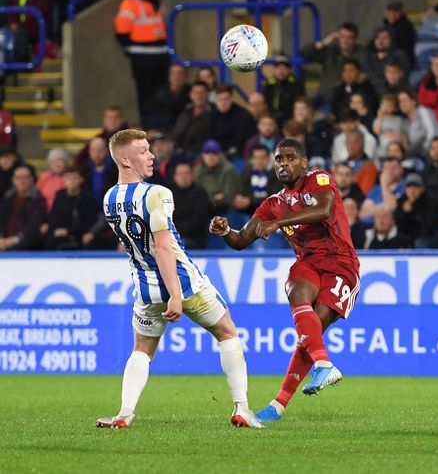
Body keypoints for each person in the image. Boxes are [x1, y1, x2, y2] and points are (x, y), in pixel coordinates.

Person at [95, 129, 260, 429]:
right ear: (125, 160)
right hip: (183, 283)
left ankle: (124, 414)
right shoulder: (157, 193)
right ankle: (242, 409)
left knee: (142, 350)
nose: (151, 155)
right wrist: (174, 294)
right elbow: (162, 247)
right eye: (143, 151)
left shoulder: (109, 199)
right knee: (227, 332)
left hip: (144, 289)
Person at [210, 139, 360, 423]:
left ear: (304, 162)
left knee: (311, 330)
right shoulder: (272, 204)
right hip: (309, 262)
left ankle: (278, 405)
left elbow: (324, 209)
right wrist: (225, 230)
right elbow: (242, 240)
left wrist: (278, 223)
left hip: (341, 264)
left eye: (290, 158)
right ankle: (324, 365)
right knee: (295, 289)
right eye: (279, 159)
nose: (283, 163)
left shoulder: (319, 179)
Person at [114, 0, 168, 117]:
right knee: (145, 96)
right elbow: (121, 30)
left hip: (161, 55)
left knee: (163, 96)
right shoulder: (132, 3)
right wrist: (130, 50)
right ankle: (147, 127)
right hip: (142, 57)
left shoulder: (160, 3)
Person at [301, 22, 366, 105]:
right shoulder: (331, 50)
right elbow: (305, 54)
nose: (345, 40)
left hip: (347, 99)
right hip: (323, 97)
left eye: (350, 37)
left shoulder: (362, 54)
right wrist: (324, 42)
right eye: (342, 36)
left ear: (355, 39)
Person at [0, 165, 46, 251]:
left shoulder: (38, 199)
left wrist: (15, 239)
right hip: (4, 239)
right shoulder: (8, 197)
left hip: (24, 239)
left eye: (26, 177)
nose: (22, 181)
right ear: (13, 180)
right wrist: (1, 238)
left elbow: (34, 225)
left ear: (32, 179)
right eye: (18, 178)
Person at [168, 161, 212, 250]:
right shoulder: (169, 194)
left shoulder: (200, 193)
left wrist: (175, 230)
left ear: (192, 176)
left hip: (193, 238)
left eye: (187, 174)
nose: (183, 177)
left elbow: (197, 222)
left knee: (177, 245)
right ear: (175, 177)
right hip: (172, 236)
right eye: (180, 174)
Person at [194, 140, 240, 216]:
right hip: (202, 209)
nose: (211, 157)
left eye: (214, 154)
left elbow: (228, 198)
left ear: (220, 155)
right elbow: (195, 195)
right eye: (207, 154)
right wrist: (215, 198)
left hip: (224, 211)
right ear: (202, 155)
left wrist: (209, 201)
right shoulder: (197, 170)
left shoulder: (228, 170)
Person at [394, 173, 438, 247]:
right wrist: (404, 212)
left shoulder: (430, 202)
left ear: (422, 189)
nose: (412, 190)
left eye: (416, 187)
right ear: (405, 189)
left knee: (420, 242)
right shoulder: (401, 201)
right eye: (409, 187)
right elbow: (398, 225)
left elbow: (429, 226)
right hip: (406, 236)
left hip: (425, 236)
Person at [263, 56, 305, 123]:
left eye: (284, 68)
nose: (281, 71)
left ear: (289, 70)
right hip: (272, 120)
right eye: (278, 68)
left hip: (290, 120)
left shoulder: (295, 84)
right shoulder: (269, 84)